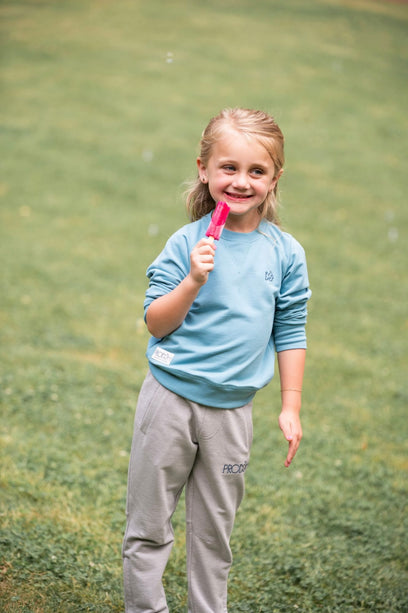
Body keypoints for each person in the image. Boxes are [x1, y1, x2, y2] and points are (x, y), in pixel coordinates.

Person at [122, 107, 311, 613]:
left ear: (274, 180)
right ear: (204, 169)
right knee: (149, 524)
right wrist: (192, 281)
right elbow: (156, 322)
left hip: (231, 413)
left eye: (256, 171)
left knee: (214, 535)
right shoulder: (186, 243)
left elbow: (290, 331)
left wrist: (290, 405)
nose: (241, 182)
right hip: (170, 400)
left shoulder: (285, 253)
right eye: (228, 167)